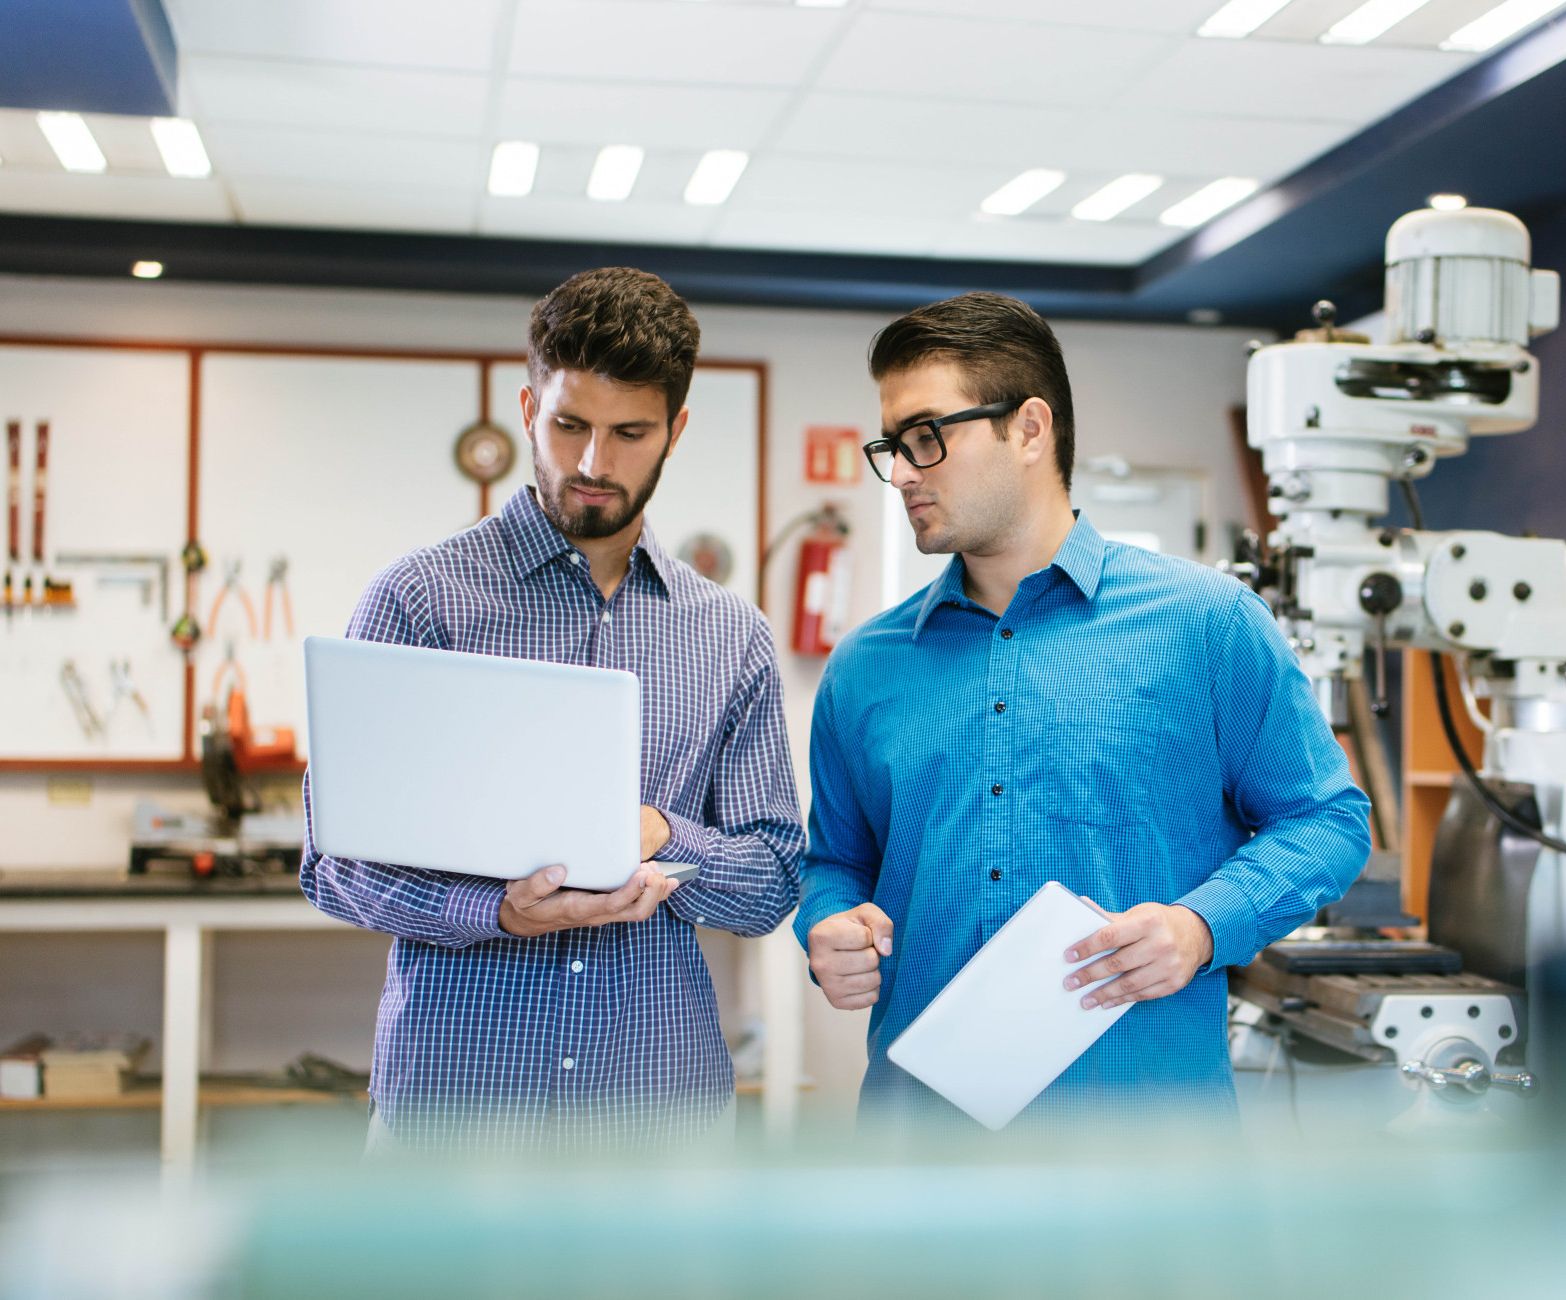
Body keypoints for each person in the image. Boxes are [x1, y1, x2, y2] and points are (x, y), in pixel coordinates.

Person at [795, 291, 1371, 1129]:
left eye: (928, 437)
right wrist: (828, 929)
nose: (905, 472)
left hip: (1148, 1149)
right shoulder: (865, 669)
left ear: (1030, 429)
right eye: (893, 446)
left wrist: (1201, 926)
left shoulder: (1206, 626)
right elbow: (834, 862)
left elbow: (1328, 821)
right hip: (923, 1148)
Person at [301, 267, 803, 1154]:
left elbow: (771, 881)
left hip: (660, 1114)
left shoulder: (731, 636)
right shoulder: (421, 603)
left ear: (676, 431)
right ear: (529, 408)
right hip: (453, 1113)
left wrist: (658, 833)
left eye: (629, 433)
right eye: (569, 424)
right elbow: (333, 862)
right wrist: (493, 911)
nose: (592, 463)